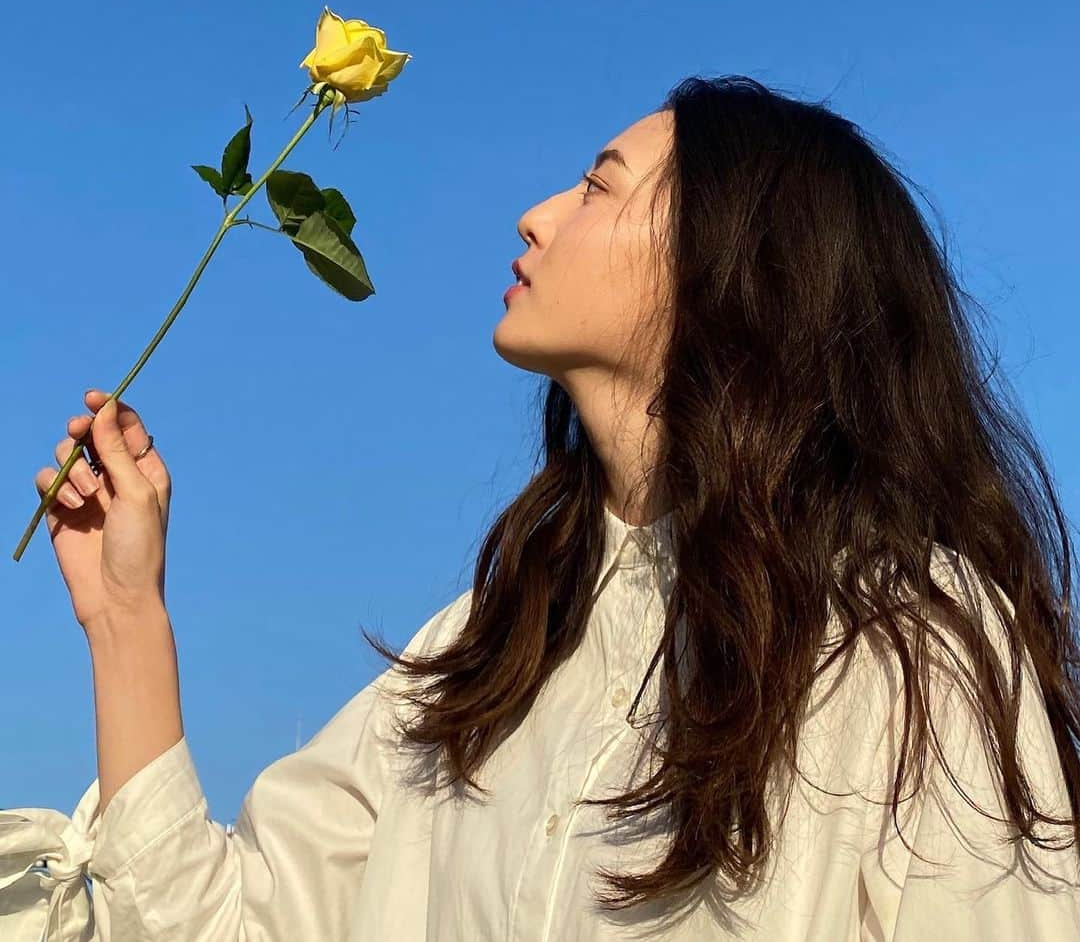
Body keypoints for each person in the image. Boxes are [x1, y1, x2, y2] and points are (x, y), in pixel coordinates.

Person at [5, 75, 1080, 940]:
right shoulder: (488, 648)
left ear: (732, 261)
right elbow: (227, 925)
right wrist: (124, 616)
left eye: (600, 185)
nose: (537, 214)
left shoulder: (908, 653)